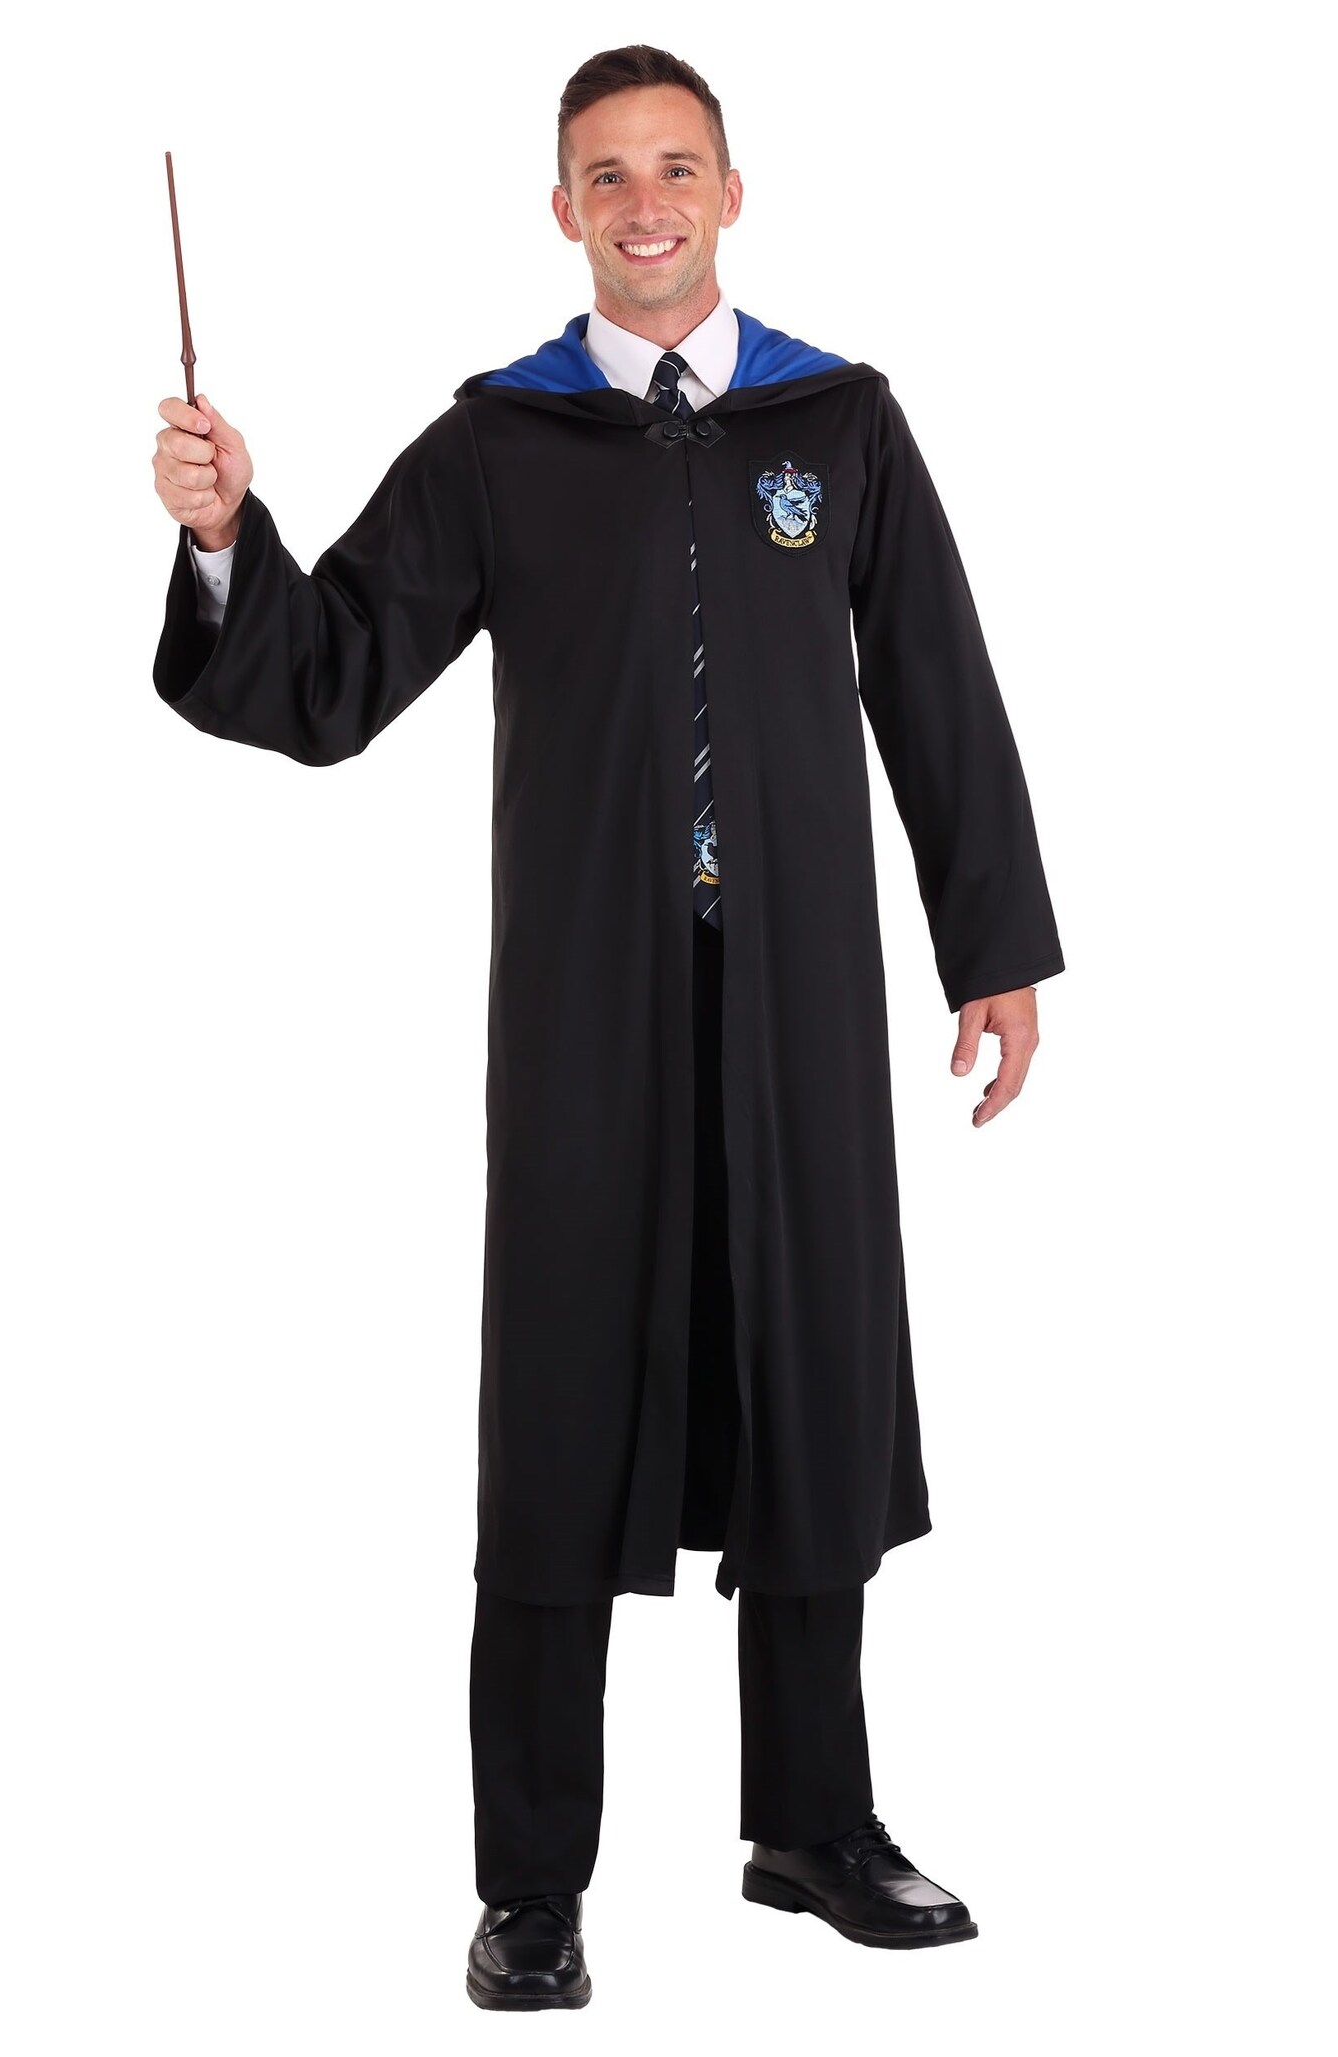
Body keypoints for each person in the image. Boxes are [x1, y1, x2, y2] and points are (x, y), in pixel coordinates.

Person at [148, 44, 1064, 2012]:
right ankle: (531, 1886)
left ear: (731, 191)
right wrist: (228, 536)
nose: (644, 203)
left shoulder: (840, 418)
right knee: (562, 1409)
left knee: (813, 1379)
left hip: (799, 991)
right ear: (560, 211)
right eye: (605, 174)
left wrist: (992, 946)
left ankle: (814, 1825)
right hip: (590, 1004)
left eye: (675, 167)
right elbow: (327, 672)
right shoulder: (505, 444)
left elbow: (937, 684)